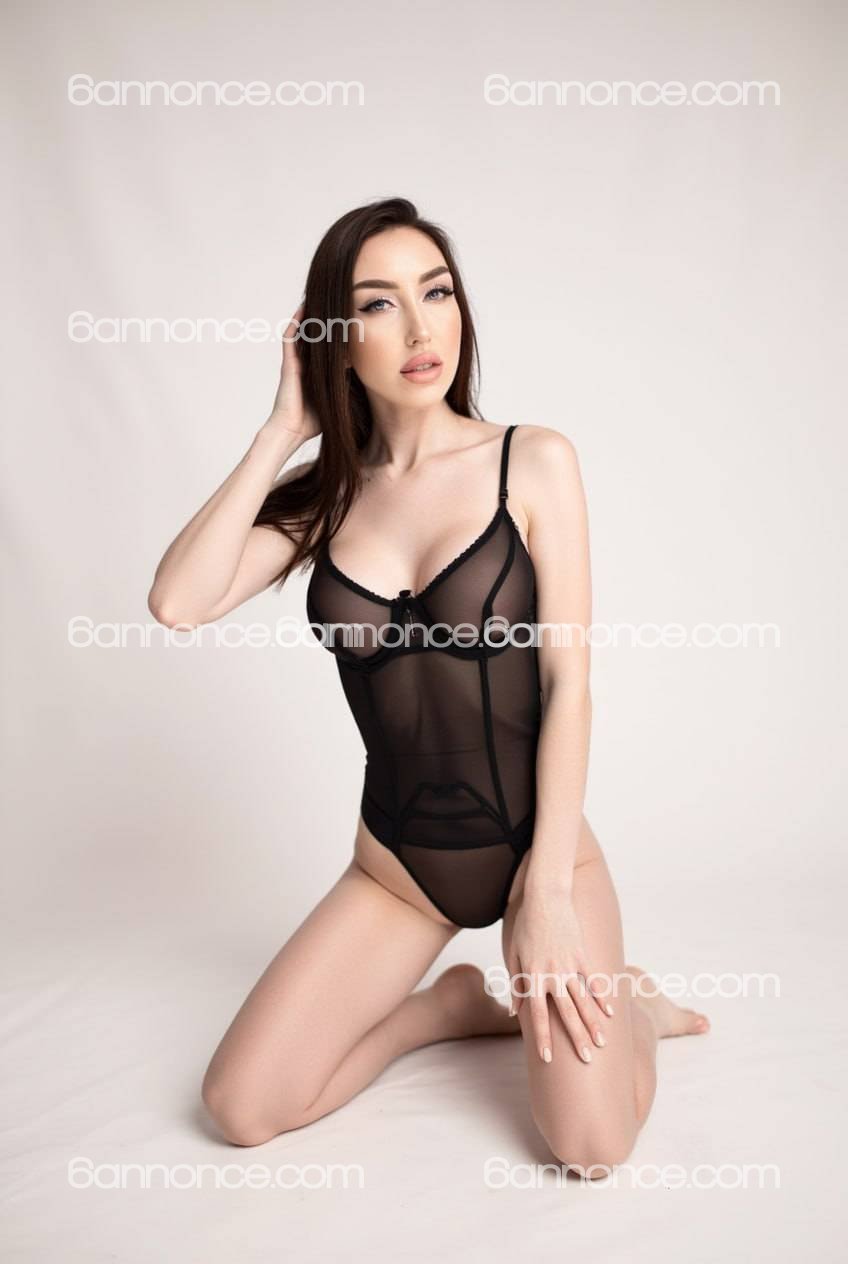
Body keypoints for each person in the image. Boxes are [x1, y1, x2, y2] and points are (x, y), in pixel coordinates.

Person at [149, 197, 709, 1176]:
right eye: (378, 304)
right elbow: (177, 603)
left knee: (590, 1149)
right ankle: (441, 1012)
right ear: (335, 338)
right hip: (397, 868)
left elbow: (569, 683)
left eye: (436, 292)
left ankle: (637, 1009)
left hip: (540, 852)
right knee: (241, 1107)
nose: (418, 329)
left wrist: (546, 893)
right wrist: (283, 429)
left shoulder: (531, 460)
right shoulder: (326, 503)